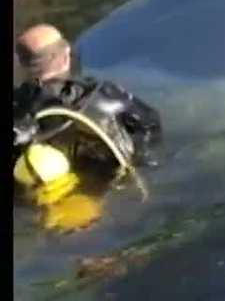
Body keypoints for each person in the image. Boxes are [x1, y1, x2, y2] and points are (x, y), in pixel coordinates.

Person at [12, 24, 162, 209]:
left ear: (24, 66)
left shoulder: (18, 113)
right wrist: (139, 159)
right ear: (66, 55)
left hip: (47, 201)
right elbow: (150, 125)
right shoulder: (105, 97)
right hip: (110, 194)